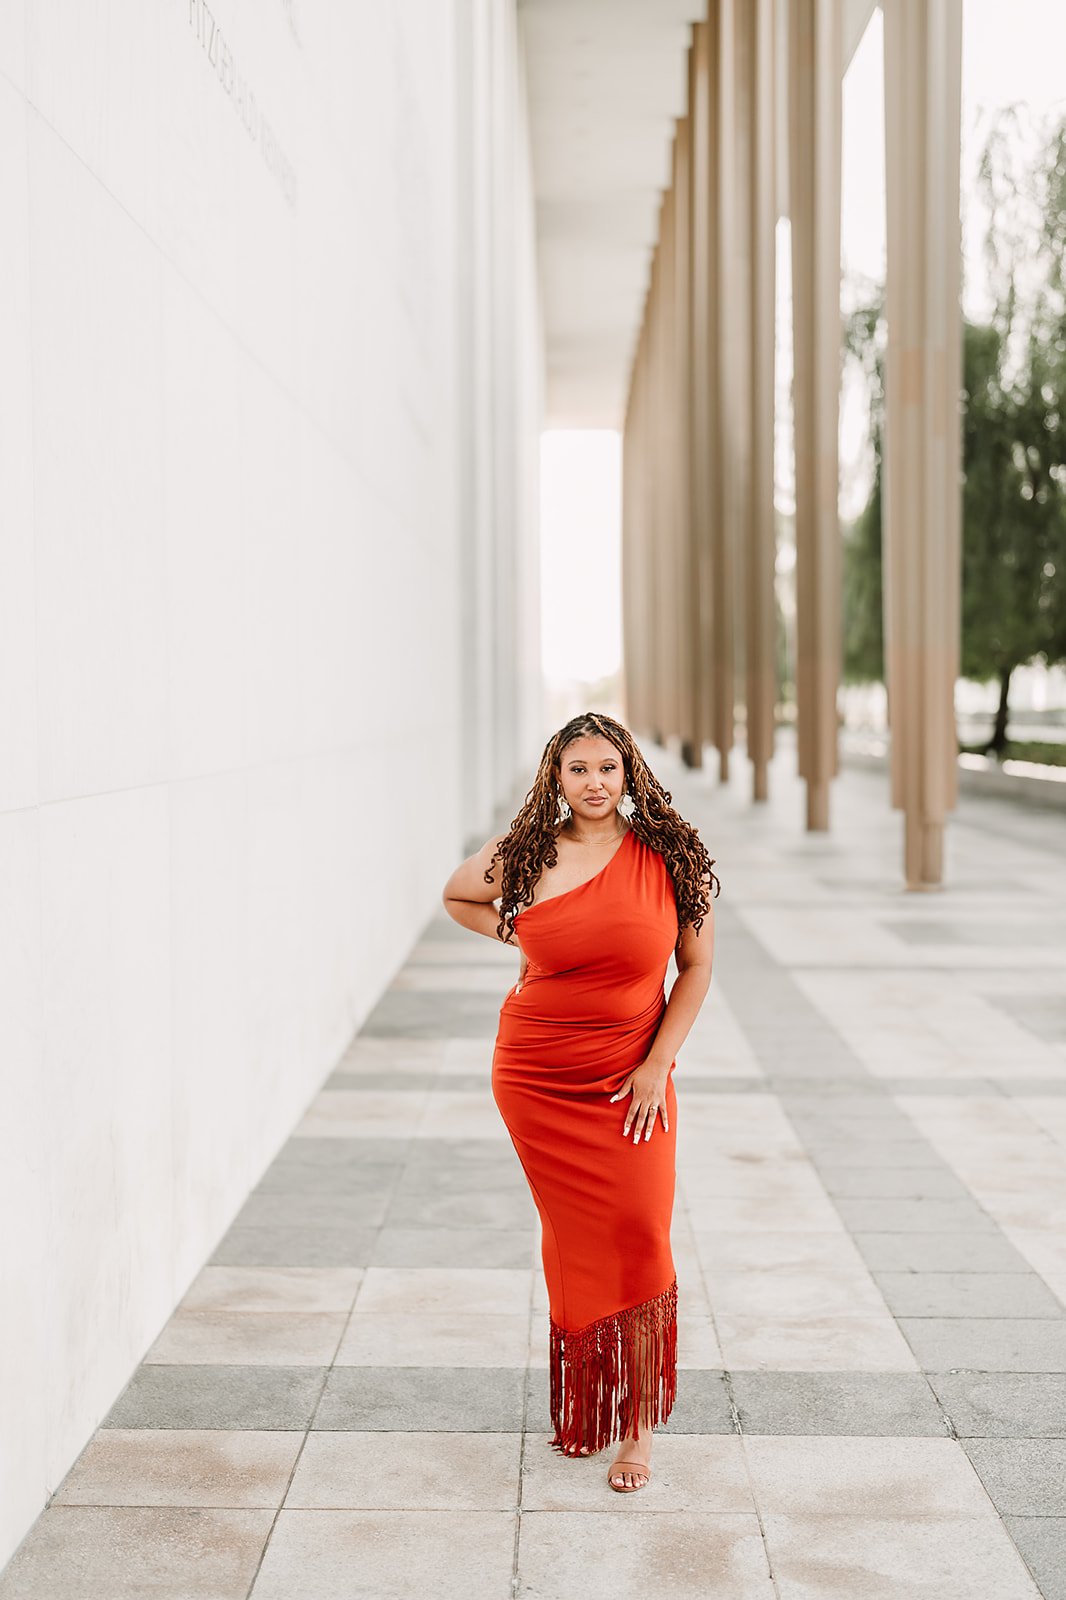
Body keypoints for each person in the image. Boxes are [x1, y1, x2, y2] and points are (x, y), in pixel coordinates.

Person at [443, 712, 718, 1492]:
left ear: (629, 771)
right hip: (536, 1075)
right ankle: (590, 1403)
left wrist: (658, 1064)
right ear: (555, 779)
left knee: (641, 1233)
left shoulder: (670, 854)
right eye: (578, 770)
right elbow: (457, 896)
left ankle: (637, 1430)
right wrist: (525, 938)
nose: (594, 783)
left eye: (607, 767)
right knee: (572, 1241)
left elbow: (695, 969)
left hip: (633, 1076)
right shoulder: (529, 852)